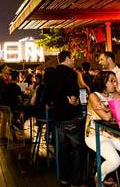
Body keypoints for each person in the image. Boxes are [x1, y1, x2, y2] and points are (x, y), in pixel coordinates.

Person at [43, 50, 84, 186]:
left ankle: (64, 177)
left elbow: (47, 96)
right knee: (77, 148)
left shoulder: (50, 74)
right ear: (67, 58)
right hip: (70, 116)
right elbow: (74, 96)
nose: (74, 61)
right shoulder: (71, 73)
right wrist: (74, 101)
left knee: (62, 148)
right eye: (72, 58)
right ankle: (75, 179)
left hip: (56, 116)